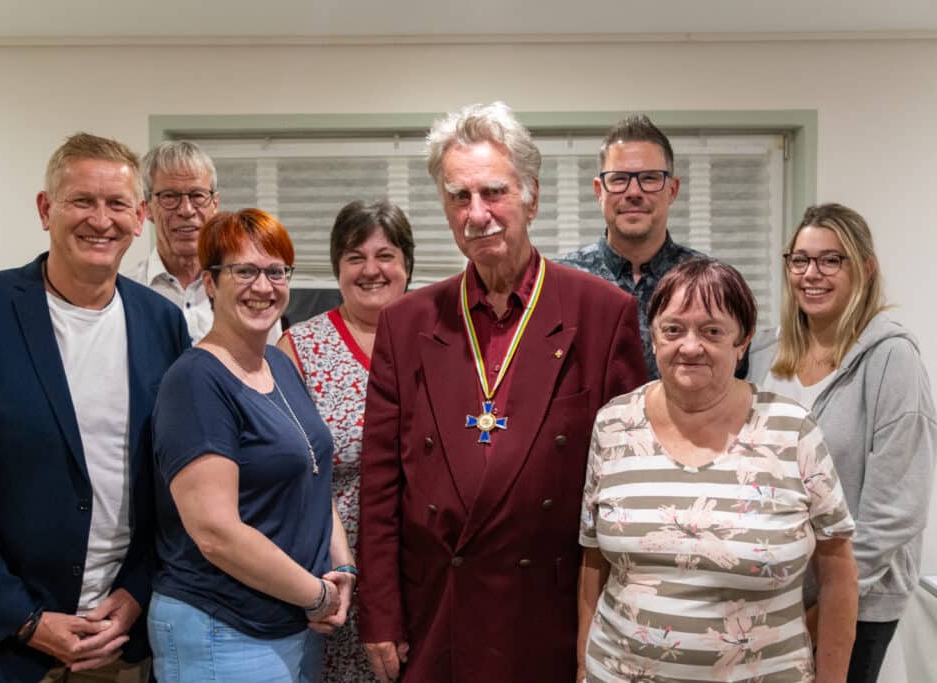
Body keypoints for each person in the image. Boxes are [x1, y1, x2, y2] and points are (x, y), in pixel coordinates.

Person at [356, 101, 648, 683]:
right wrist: (381, 615)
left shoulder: (602, 313)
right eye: (459, 197)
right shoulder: (406, 322)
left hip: (551, 608)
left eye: (494, 192)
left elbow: (628, 484)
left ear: (531, 197)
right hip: (438, 607)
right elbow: (380, 484)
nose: (477, 213)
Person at [0, 133, 190, 681]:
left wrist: (136, 592)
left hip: (121, 640)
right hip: (0, 648)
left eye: (116, 205)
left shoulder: (162, 323)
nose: (100, 220)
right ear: (46, 209)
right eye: (81, 201)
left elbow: (173, 483)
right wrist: (24, 620)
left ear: (140, 219)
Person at [579, 258, 859, 683]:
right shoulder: (613, 423)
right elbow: (594, 557)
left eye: (711, 331)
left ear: (742, 342)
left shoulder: (792, 429)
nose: (690, 346)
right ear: (653, 337)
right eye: (673, 329)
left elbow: (838, 572)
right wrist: (583, 665)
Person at [149, 208, 356, 683]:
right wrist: (317, 595)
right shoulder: (196, 381)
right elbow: (215, 533)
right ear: (210, 283)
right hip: (222, 627)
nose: (263, 286)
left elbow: (313, 474)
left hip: (292, 620)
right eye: (244, 271)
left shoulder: (278, 365)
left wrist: (342, 568)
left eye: (276, 271)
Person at [749, 203, 937, 683]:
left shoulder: (891, 359)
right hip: (771, 592)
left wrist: (830, 603)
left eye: (831, 260)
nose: (812, 274)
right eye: (800, 260)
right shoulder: (765, 353)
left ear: (865, 268)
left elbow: (897, 508)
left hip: (858, 600)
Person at [278, 199, 415, 683]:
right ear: (337, 267)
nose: (371, 269)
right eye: (355, 257)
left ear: (407, 266)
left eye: (385, 255)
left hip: (421, 570)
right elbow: (289, 475)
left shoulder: (440, 341)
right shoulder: (299, 348)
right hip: (336, 573)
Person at [558, 115, 705, 379]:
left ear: (672, 190)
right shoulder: (561, 285)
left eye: (649, 178)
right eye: (618, 179)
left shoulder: (708, 282)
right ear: (598, 190)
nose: (634, 192)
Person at [127, 140, 281, 344]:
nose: (186, 210)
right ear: (146, 208)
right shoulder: (125, 295)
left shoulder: (250, 291)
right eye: (169, 196)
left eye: (197, 195)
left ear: (214, 204)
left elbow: (271, 369)